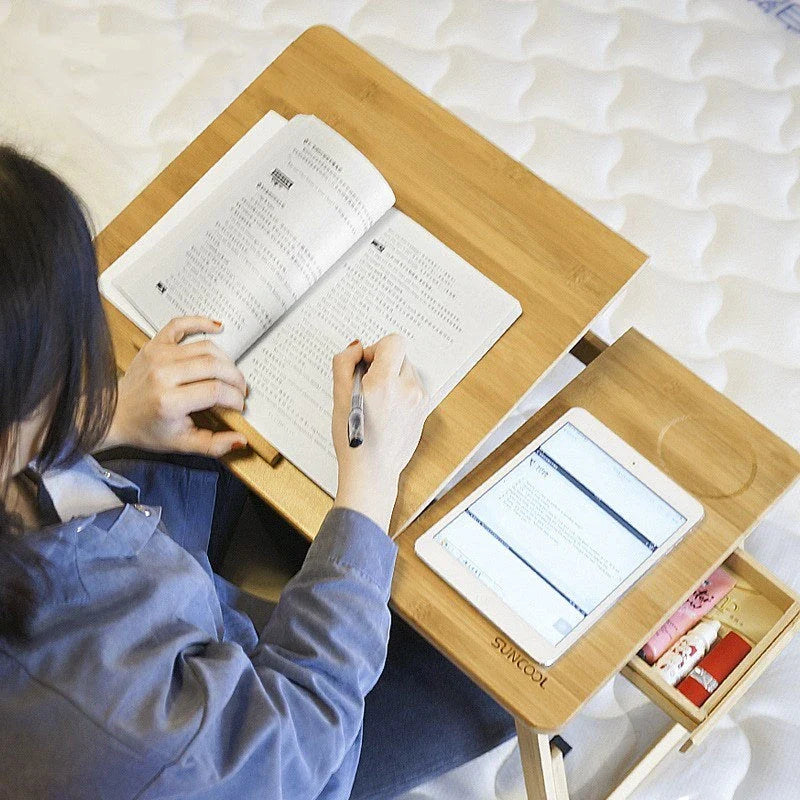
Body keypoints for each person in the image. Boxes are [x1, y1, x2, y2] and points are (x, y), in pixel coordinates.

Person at [0, 144, 514, 799]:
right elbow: (299, 735)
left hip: (141, 610)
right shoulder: (121, 721)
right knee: (490, 670)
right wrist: (369, 481)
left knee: (213, 416)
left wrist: (105, 418)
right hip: (269, 743)